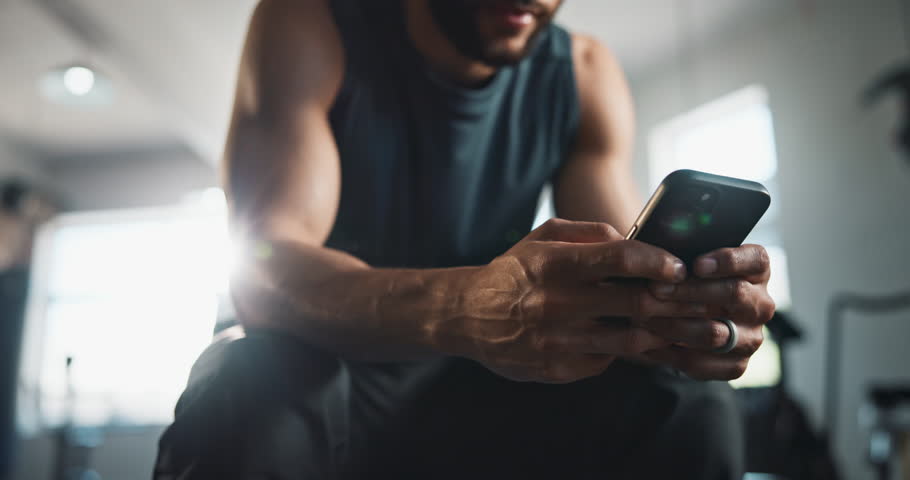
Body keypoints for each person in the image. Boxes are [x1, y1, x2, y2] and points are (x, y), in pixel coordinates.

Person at [155, 0, 776, 478]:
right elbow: (263, 273)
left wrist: (686, 319)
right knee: (246, 381)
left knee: (684, 403)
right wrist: (463, 305)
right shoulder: (312, 23)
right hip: (330, 379)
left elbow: (625, 284)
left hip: (481, 387)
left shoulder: (584, 72)